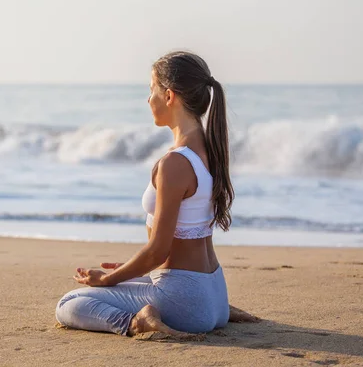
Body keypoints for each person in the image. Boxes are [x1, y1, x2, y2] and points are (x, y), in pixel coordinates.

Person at [55, 51, 258, 339]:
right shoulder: (211, 152)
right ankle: (209, 306)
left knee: (71, 303)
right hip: (213, 295)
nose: (148, 99)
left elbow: (158, 251)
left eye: (152, 90)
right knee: (132, 280)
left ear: (169, 96)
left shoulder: (175, 163)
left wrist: (107, 279)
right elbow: (176, 247)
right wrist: (128, 271)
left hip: (186, 302)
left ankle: (136, 322)